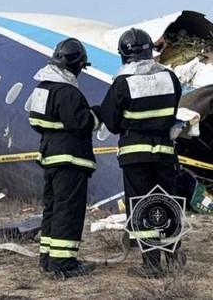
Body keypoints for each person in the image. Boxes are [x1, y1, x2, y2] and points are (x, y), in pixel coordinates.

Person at [97, 28, 184, 279]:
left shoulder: (123, 82)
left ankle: (152, 264)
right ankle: (174, 254)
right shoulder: (169, 78)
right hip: (165, 153)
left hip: (136, 155)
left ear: (124, 54)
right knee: (168, 203)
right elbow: (173, 110)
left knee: (142, 207)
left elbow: (111, 121)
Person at [27, 38, 98, 279]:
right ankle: (63, 263)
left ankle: (47, 258)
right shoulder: (68, 92)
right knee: (69, 210)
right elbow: (82, 124)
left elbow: (35, 122)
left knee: (53, 208)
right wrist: (96, 115)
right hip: (70, 160)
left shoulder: (42, 88)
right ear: (76, 65)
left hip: (49, 157)